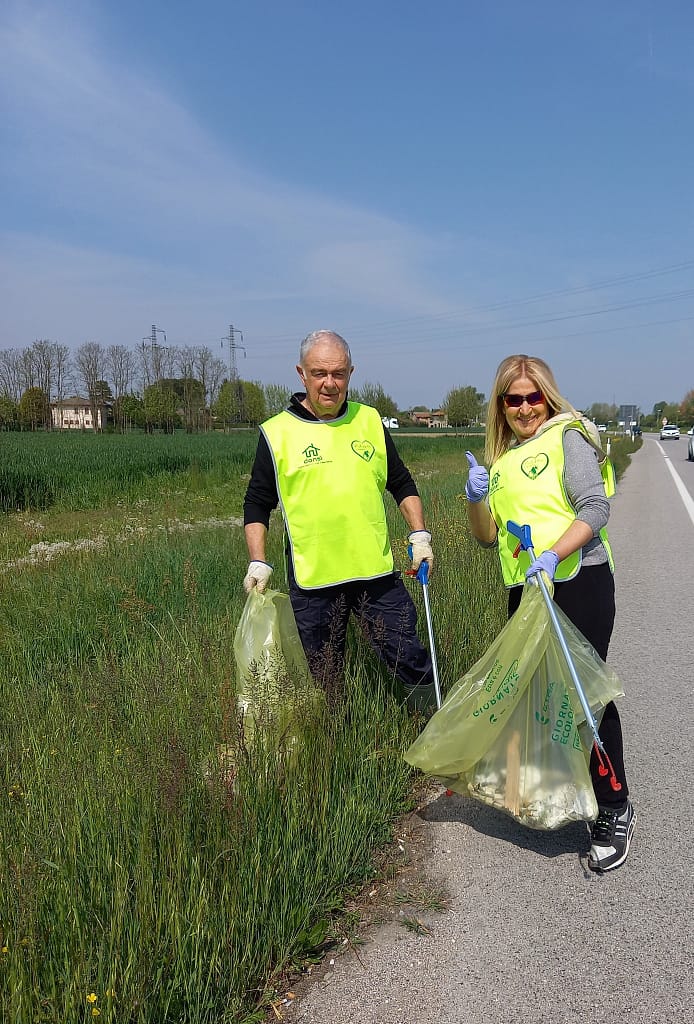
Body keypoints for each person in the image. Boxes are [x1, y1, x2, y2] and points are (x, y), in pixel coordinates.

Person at [464, 353, 635, 873]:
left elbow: (595, 508)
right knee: (537, 697)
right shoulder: (500, 462)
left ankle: (614, 808)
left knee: (585, 697)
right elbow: (485, 536)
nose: (523, 408)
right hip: (527, 593)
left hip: (577, 581)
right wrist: (474, 496)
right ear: (500, 405)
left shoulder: (568, 437)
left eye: (532, 396)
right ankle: (547, 792)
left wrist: (553, 555)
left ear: (548, 395)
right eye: (511, 399)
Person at [242, 329, 437, 713]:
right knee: (325, 676)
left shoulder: (369, 421)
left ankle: (435, 722)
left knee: (406, 653)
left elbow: (400, 481)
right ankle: (337, 744)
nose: (329, 383)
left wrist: (420, 534)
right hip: (315, 581)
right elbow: (257, 502)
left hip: (375, 574)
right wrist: (258, 560)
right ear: (302, 374)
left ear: (351, 372)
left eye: (338, 373)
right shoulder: (277, 433)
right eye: (319, 373)